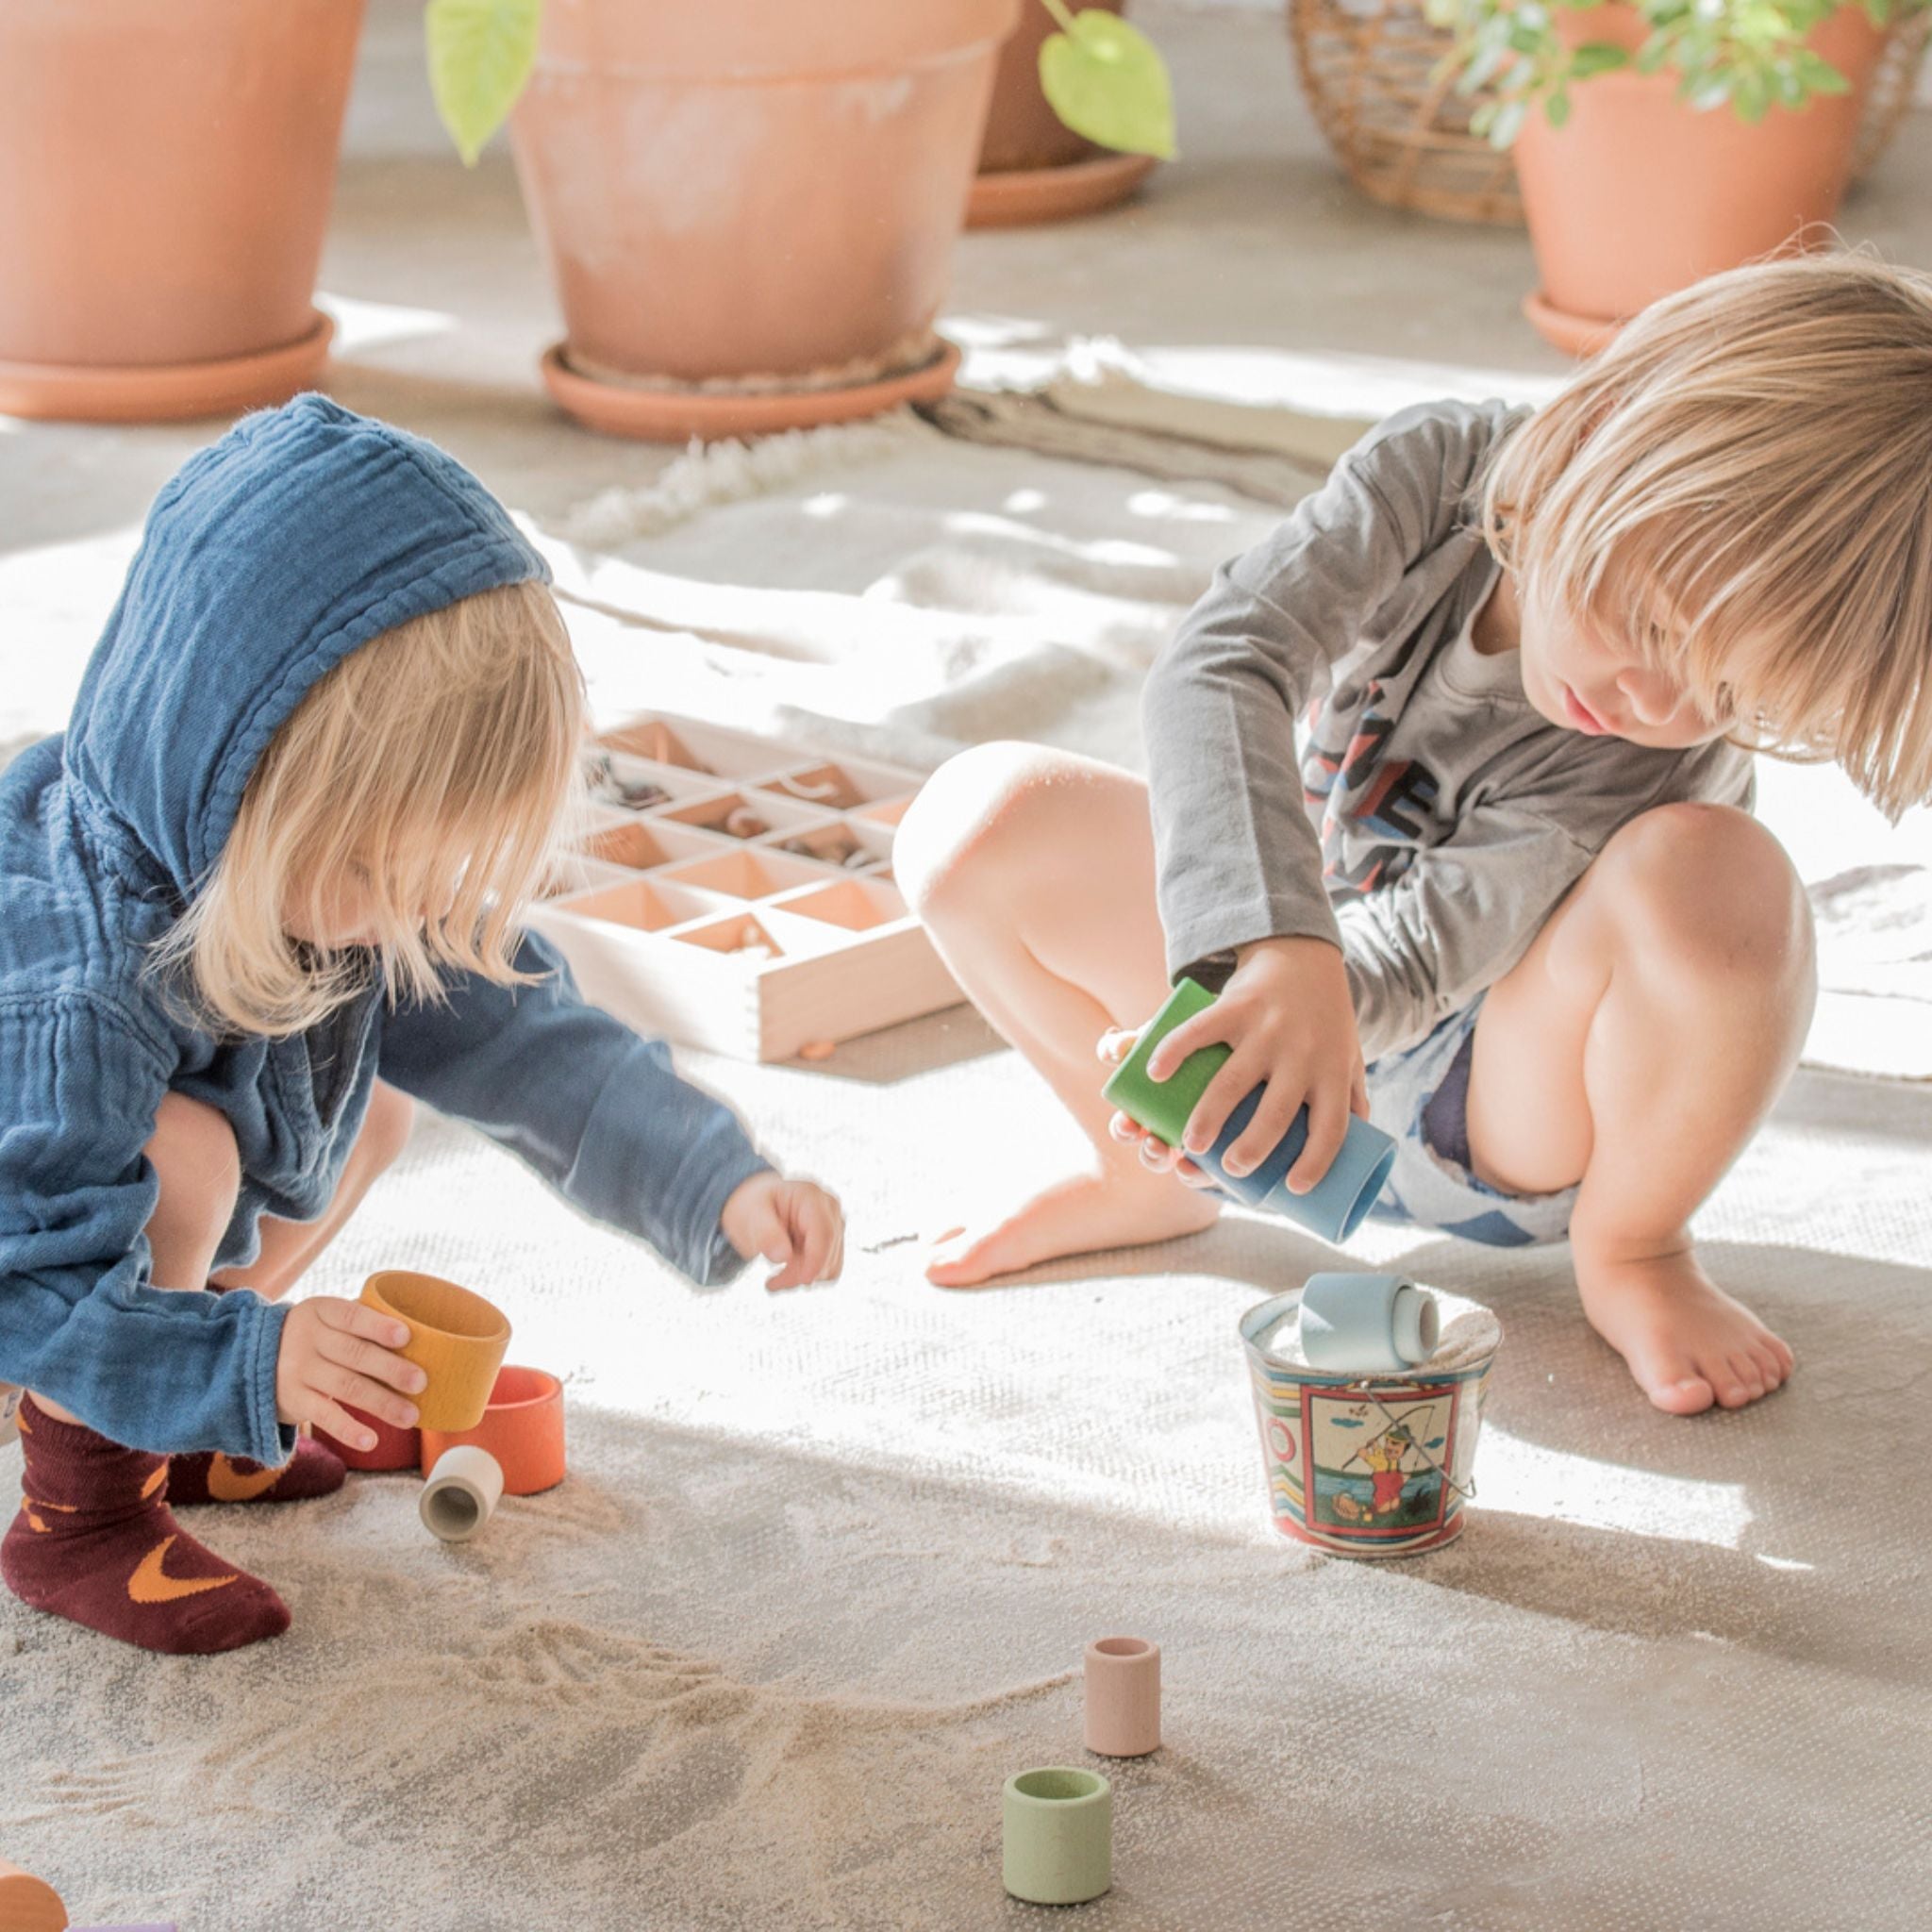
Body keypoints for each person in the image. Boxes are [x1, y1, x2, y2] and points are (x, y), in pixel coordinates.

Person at [896, 255, 1932, 1418]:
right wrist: (1252, 973)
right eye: (1647, 621)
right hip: (1304, 1000)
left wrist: (1272, 1011)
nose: (1651, 699)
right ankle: (1137, 1178)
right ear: (1587, 430)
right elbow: (1225, 657)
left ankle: (1635, 1246)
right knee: (974, 819)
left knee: (1718, 879)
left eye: (1727, 690)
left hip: (1491, 1107)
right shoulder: (1437, 469)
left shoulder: (1648, 755)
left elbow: (1425, 956)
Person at [0, 397, 842, 1653]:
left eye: (431, 873)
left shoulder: (327, 886)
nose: (408, 912)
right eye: (374, 870)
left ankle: (186, 1398)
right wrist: (252, 1360)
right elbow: (34, 1286)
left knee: (374, 1102)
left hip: (101, 1238)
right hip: (28, 1249)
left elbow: (524, 1036)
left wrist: (714, 1178)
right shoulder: (71, 992)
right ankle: (81, 1510)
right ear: (235, 791)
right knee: (191, 1158)